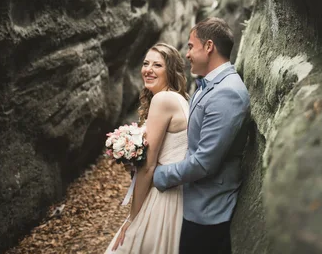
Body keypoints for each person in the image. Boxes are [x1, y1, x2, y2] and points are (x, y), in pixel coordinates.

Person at [153, 17, 251, 254]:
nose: (186, 54)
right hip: (192, 200)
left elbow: (204, 163)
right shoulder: (211, 84)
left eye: (190, 46)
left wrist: (159, 174)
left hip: (207, 212)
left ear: (208, 47)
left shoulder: (228, 93)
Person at [105, 43, 189, 254]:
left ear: (170, 71)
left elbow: (149, 167)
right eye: (145, 63)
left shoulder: (163, 99)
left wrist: (133, 218)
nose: (148, 69)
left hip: (162, 196)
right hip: (177, 194)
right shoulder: (180, 98)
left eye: (157, 65)